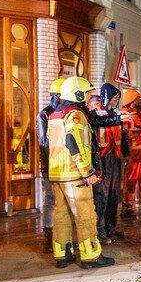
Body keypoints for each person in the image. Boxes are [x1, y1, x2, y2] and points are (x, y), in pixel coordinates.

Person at [47, 76, 114, 269]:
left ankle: (63, 255)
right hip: (75, 174)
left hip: (58, 174)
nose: (88, 97)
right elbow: (73, 141)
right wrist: (87, 171)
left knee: (62, 216)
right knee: (85, 215)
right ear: (77, 94)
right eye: (86, 94)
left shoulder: (54, 115)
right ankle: (90, 256)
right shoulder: (75, 114)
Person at [92, 83, 126, 244]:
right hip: (103, 158)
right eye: (114, 97)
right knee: (102, 196)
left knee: (114, 195)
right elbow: (99, 123)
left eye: (117, 98)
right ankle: (100, 230)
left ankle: (111, 228)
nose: (116, 100)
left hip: (115, 157)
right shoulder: (97, 111)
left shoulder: (116, 113)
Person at [35, 78, 64, 253]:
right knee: (50, 199)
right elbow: (44, 142)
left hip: (62, 164)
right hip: (51, 164)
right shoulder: (45, 115)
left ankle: (60, 233)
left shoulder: (63, 112)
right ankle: (49, 233)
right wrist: (47, 167)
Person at [121, 89, 141, 218]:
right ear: (131, 100)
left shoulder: (138, 113)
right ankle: (127, 207)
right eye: (138, 99)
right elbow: (124, 135)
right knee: (130, 181)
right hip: (132, 154)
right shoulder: (125, 114)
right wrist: (126, 153)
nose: (140, 101)